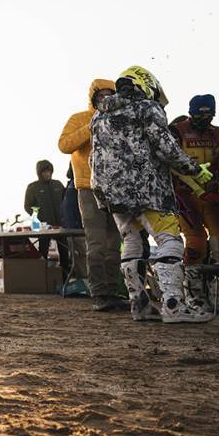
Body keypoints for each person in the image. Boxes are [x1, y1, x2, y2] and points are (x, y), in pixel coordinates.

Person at [90, 66, 213, 323]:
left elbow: (96, 158)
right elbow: (166, 147)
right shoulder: (147, 108)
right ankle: (173, 305)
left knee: (132, 243)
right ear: (145, 85)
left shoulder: (99, 116)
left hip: (113, 194)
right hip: (148, 190)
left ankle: (140, 305)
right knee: (170, 241)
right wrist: (193, 169)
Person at [59, 79, 125, 311]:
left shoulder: (119, 119)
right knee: (96, 243)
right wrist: (93, 125)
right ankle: (99, 293)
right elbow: (64, 145)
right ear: (93, 96)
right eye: (101, 94)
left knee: (114, 244)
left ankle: (113, 291)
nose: (105, 98)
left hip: (115, 189)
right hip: (88, 188)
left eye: (110, 94)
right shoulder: (79, 118)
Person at [169, 94, 219, 313]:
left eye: (209, 114)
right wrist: (197, 190)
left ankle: (217, 296)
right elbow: (175, 166)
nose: (205, 119)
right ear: (191, 112)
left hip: (214, 196)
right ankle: (194, 296)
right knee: (196, 244)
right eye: (200, 114)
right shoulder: (177, 131)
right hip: (186, 196)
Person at [23, 160, 71, 277]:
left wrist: (65, 217)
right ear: (39, 173)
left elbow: (66, 202)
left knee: (64, 253)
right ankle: (41, 277)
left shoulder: (58, 184)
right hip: (44, 227)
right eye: (44, 171)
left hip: (60, 225)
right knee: (43, 252)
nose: (47, 174)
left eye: (49, 171)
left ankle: (65, 278)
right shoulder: (33, 187)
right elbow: (27, 206)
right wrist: (38, 218)